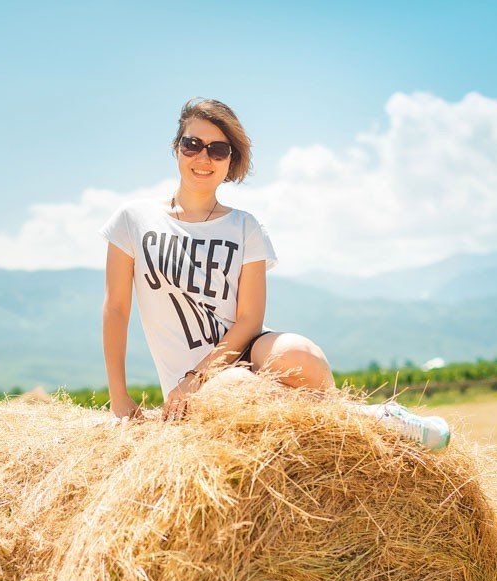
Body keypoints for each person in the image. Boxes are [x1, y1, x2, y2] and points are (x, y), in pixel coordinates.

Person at [98, 97, 449, 451]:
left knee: (302, 353)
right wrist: (119, 397)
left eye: (218, 150)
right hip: (199, 386)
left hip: (241, 353)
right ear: (176, 147)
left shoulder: (245, 227)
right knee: (236, 387)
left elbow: (249, 320)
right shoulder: (133, 220)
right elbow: (116, 309)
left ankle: (360, 429)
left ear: (230, 160)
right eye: (193, 144)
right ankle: (374, 420)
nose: (203, 158)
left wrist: (199, 374)